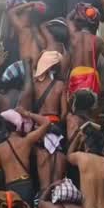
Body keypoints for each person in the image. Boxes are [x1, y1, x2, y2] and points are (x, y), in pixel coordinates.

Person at [0, 107, 51, 207]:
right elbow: (47, 123)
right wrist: (27, 113)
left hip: (10, 187)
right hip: (26, 184)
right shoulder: (26, 141)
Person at [32, 51, 68, 192]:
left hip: (38, 129)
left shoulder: (34, 86)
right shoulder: (60, 85)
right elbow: (64, 113)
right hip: (56, 131)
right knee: (57, 177)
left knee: (43, 180)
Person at [67, 3, 104, 99]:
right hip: (92, 77)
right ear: (95, 24)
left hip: (76, 75)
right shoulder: (98, 40)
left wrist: (78, 7)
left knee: (75, 106)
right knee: (91, 107)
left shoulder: (73, 37)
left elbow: (68, 19)